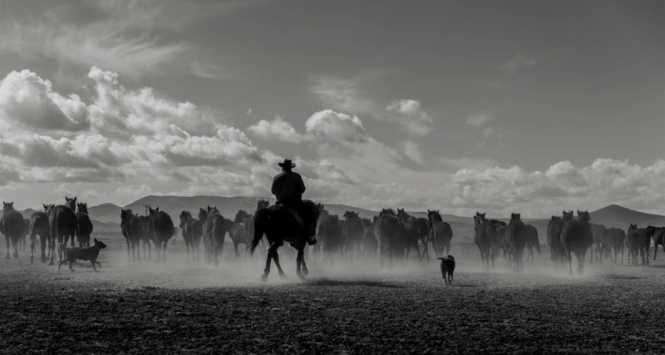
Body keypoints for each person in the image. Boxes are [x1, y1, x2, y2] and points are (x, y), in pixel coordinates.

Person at [271, 159, 316, 245]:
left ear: (283, 168)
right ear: (291, 168)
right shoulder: (296, 176)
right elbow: (302, 189)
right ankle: (310, 236)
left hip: (280, 203)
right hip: (294, 203)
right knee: (309, 216)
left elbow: (273, 191)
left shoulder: (276, 177)